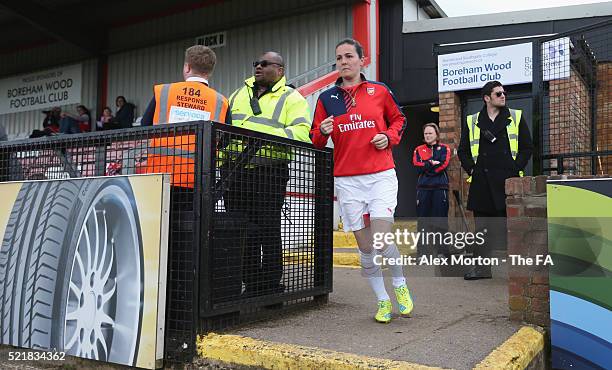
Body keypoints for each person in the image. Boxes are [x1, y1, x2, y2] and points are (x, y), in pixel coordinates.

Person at [310, 38, 411, 323]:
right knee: (365, 247)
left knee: (381, 238)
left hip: (380, 175)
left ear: (362, 60)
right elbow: (316, 138)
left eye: (349, 56)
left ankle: (400, 285)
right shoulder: (328, 98)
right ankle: (382, 301)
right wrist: (323, 130)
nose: (344, 61)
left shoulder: (379, 91)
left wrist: (388, 138)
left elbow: (399, 120)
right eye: (339, 57)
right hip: (347, 180)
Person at [223, 51, 311, 296]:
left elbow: (303, 133)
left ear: (280, 70)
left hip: (268, 173)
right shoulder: (238, 94)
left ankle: (271, 286)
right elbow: (224, 133)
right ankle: (250, 283)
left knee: (267, 229)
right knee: (242, 230)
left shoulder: (292, 98)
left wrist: (261, 139)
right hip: (235, 173)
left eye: (264, 64)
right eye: (256, 63)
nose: (258, 67)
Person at [458, 81, 533, 280]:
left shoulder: (515, 116)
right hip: (482, 181)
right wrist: (472, 169)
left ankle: (521, 269)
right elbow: (463, 150)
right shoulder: (472, 120)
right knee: (482, 229)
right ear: (487, 98)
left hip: (507, 182)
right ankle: (482, 269)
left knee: (514, 228)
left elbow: (527, 147)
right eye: (498, 93)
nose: (503, 96)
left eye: (504, 93)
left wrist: (515, 168)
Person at [141, 44, 230, 189]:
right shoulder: (221, 101)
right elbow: (225, 141)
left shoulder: (164, 91)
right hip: (201, 178)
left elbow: (144, 126)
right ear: (209, 72)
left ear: (187, 67)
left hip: (161, 176)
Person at [412, 123, 451, 257]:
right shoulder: (418, 149)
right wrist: (430, 163)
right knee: (423, 222)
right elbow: (417, 166)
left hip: (440, 189)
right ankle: (422, 254)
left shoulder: (444, 148)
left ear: (436, 134)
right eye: (426, 134)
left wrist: (427, 166)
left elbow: (444, 164)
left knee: (441, 221)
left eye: (430, 133)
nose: (428, 136)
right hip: (423, 189)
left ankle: (443, 253)